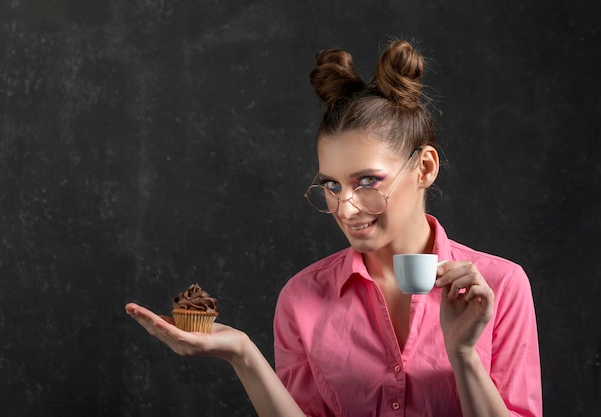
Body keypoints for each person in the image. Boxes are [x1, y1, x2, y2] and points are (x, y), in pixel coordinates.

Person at [125, 39, 542, 417]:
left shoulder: (500, 288)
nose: (345, 207)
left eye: (367, 181)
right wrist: (243, 355)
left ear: (425, 168)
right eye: (331, 185)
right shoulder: (302, 299)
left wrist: (464, 354)